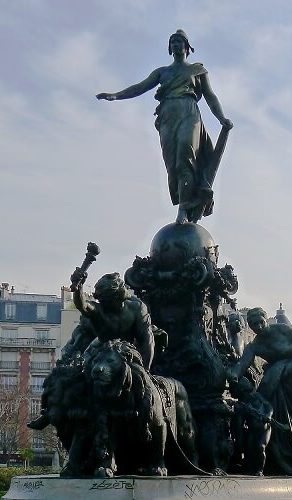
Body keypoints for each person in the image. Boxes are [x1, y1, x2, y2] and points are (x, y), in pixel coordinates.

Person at [96, 29, 233, 224]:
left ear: (187, 47)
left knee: (185, 155)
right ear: (169, 48)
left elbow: (210, 95)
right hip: (167, 115)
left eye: (179, 41)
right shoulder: (162, 72)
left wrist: (221, 117)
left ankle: (183, 210)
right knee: (173, 165)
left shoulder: (197, 70)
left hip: (189, 112)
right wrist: (116, 95)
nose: (176, 44)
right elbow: (140, 87)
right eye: (172, 42)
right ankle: (183, 202)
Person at [229, 307, 292, 477]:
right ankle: (280, 462)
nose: (258, 327)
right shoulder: (254, 345)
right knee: (276, 422)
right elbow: (242, 365)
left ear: (265, 319)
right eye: (253, 325)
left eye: (260, 322)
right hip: (275, 383)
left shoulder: (285, 330)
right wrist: (232, 374)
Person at [70, 269, 154, 370]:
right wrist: (79, 286)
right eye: (123, 286)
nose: (127, 287)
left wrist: (145, 369)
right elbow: (82, 305)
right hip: (101, 355)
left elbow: (147, 340)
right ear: (115, 295)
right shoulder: (99, 311)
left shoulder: (137, 308)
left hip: (127, 353)